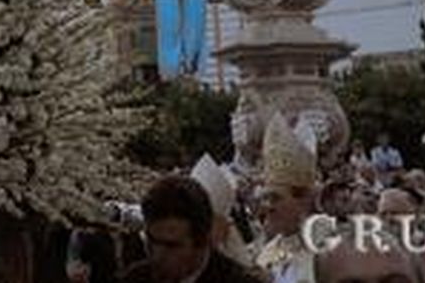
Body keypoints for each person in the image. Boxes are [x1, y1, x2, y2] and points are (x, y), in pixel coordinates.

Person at [124, 174, 266, 283]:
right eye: (151, 241)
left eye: (171, 246)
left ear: (202, 242)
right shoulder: (134, 279)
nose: (157, 255)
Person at [254, 113, 320, 283]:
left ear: (304, 200)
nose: (267, 207)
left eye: (275, 198)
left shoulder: (328, 250)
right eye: (265, 198)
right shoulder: (267, 251)